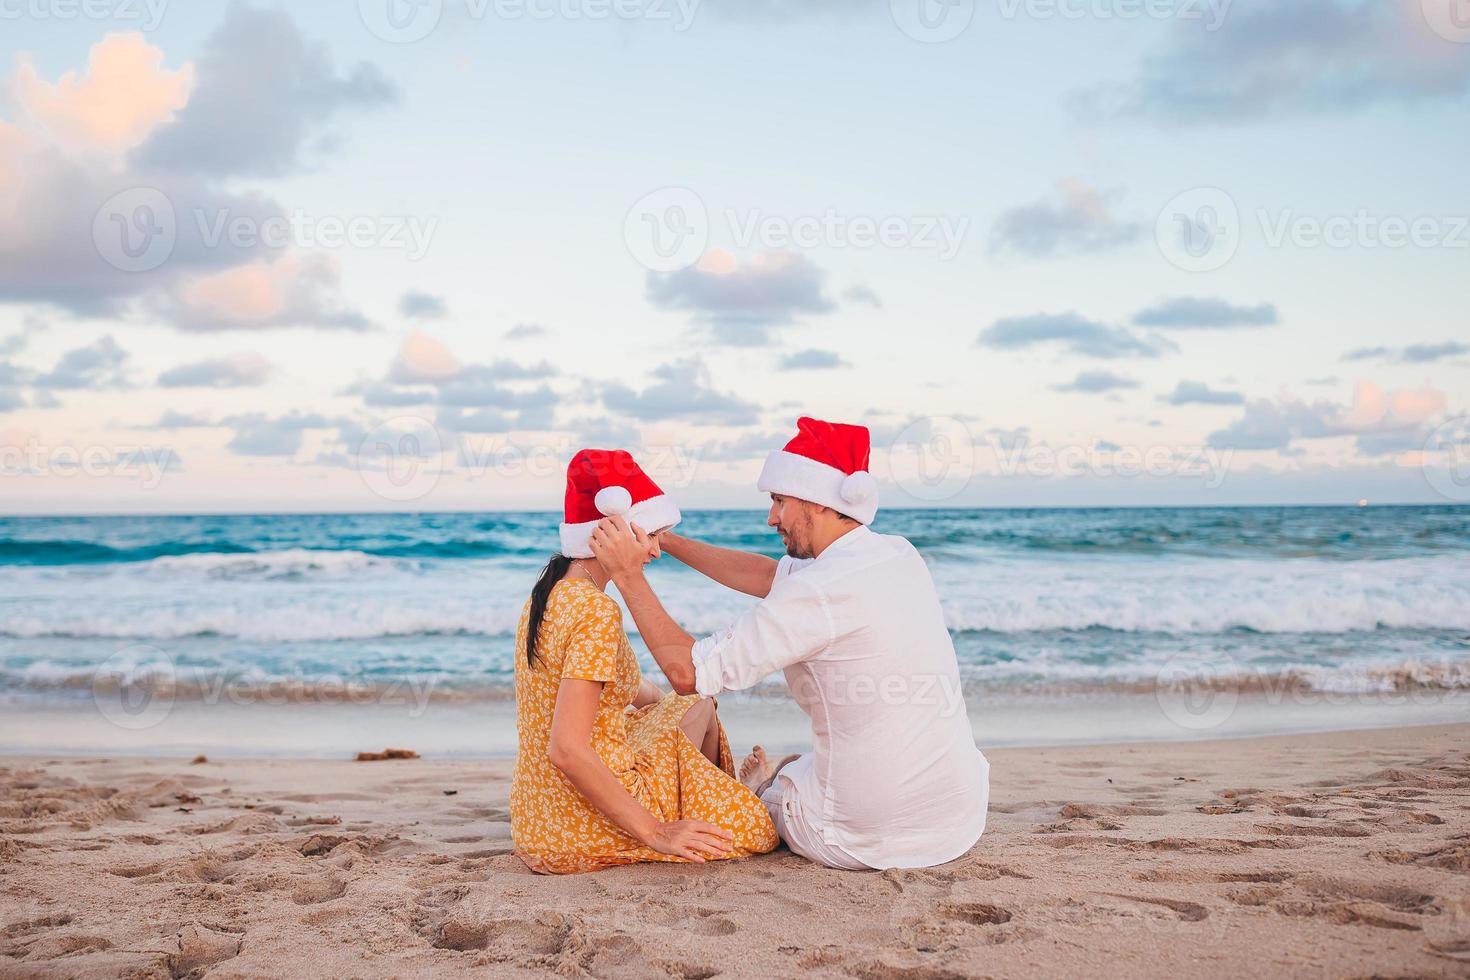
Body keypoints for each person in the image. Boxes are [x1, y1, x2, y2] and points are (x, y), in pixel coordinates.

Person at [588, 418, 989, 871]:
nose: (771, 517)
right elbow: (768, 576)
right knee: (806, 762)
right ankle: (784, 777)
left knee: (776, 792)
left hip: (866, 836)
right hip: (956, 813)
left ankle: (764, 788)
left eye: (779, 500)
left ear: (816, 502)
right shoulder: (896, 554)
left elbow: (688, 675)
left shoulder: (817, 592)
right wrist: (668, 541)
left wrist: (627, 574)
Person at [509, 448, 779, 874]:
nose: (656, 551)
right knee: (761, 830)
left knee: (697, 700)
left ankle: (721, 791)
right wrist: (656, 832)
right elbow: (566, 748)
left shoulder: (550, 594)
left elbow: (607, 685)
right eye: (651, 536)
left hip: (539, 815)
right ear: (613, 533)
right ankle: (734, 799)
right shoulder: (595, 611)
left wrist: (667, 701)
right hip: (576, 822)